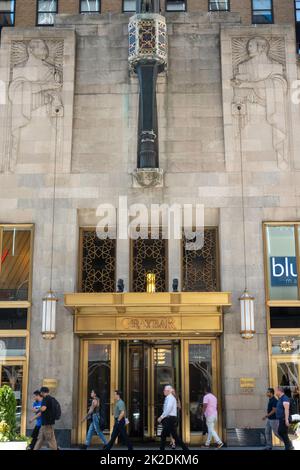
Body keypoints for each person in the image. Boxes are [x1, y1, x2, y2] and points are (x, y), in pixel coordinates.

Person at [158, 385, 189, 452]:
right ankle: (162, 448)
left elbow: (168, 409)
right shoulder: (168, 398)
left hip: (170, 419)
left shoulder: (170, 398)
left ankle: (185, 448)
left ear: (168, 391)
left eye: (164, 390)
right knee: (165, 435)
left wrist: (161, 417)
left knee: (173, 436)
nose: (163, 391)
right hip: (169, 419)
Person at [275, 386, 294, 450]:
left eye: (276, 391)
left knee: (282, 432)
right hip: (281, 419)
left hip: (284, 419)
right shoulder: (280, 398)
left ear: (279, 391)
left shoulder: (285, 398)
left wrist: (286, 420)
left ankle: (289, 447)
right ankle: (289, 446)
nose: (275, 392)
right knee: (282, 432)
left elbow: (286, 409)